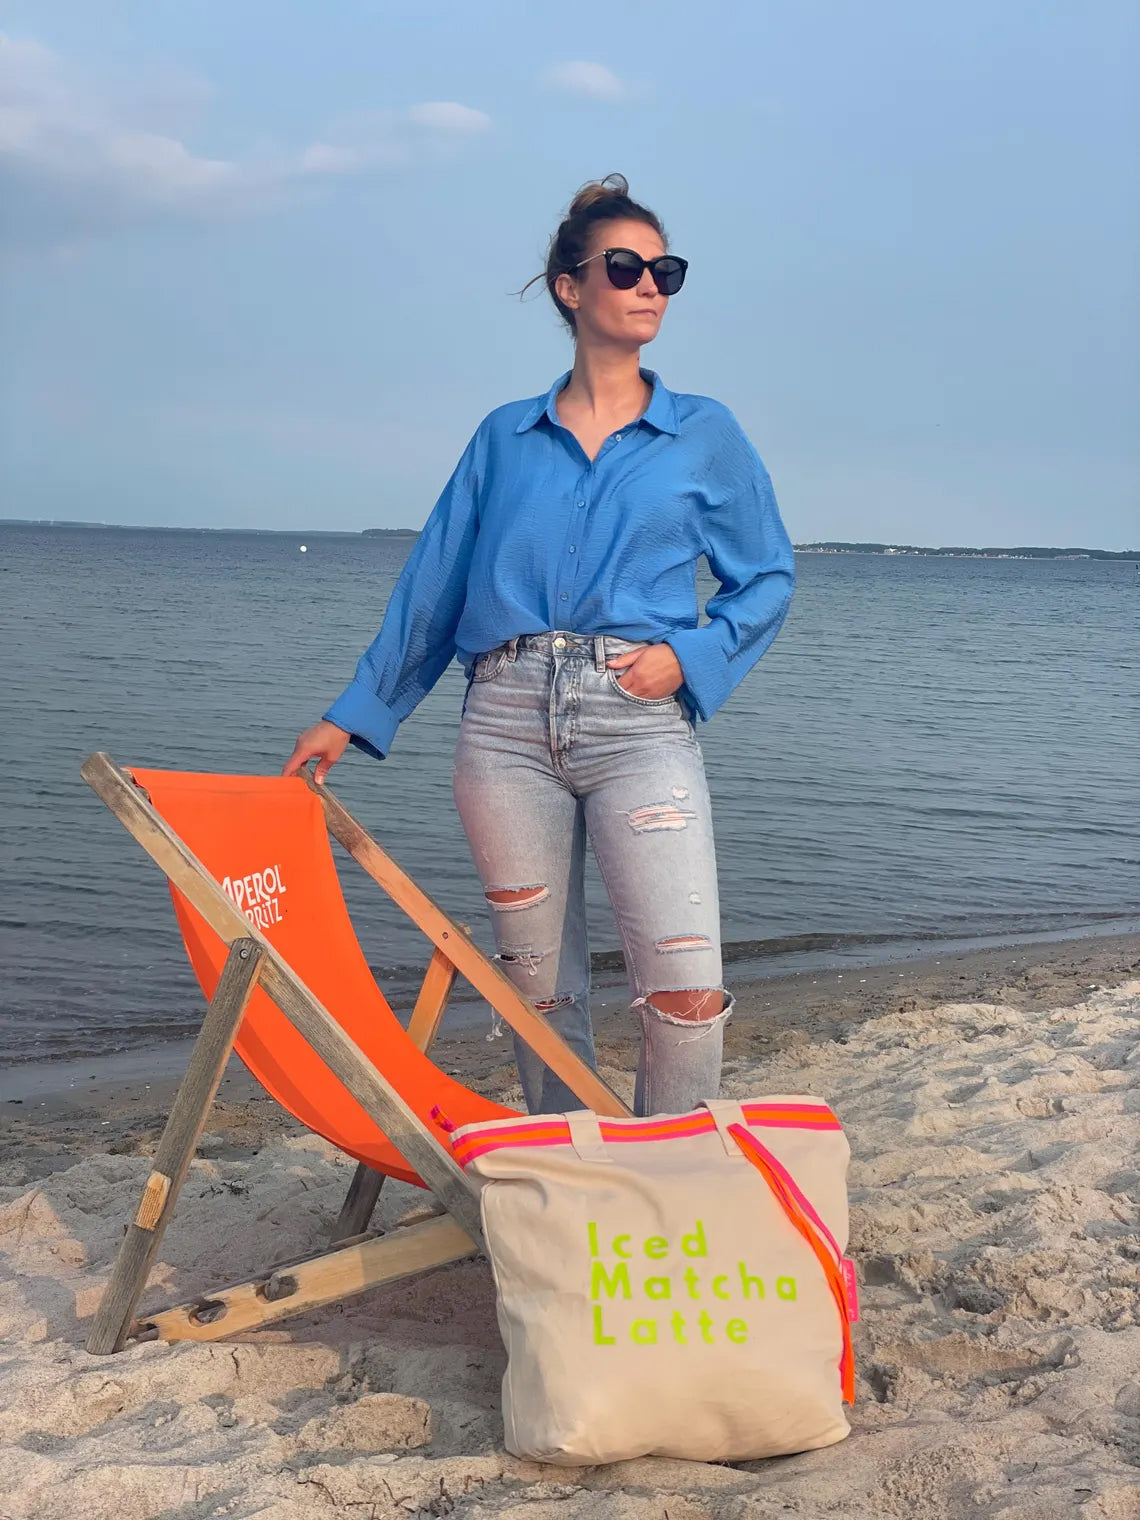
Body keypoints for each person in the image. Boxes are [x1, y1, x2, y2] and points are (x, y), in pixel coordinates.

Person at [284, 174, 795, 1117]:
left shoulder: (704, 434)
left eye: (667, 272)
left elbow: (766, 576)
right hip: (504, 726)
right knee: (541, 1000)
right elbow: (434, 589)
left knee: (685, 997)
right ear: (570, 286)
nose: (651, 286)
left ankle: (670, 1175)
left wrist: (690, 657)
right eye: (627, 267)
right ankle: (578, 1171)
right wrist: (353, 714)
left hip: (639, 719)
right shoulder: (504, 438)